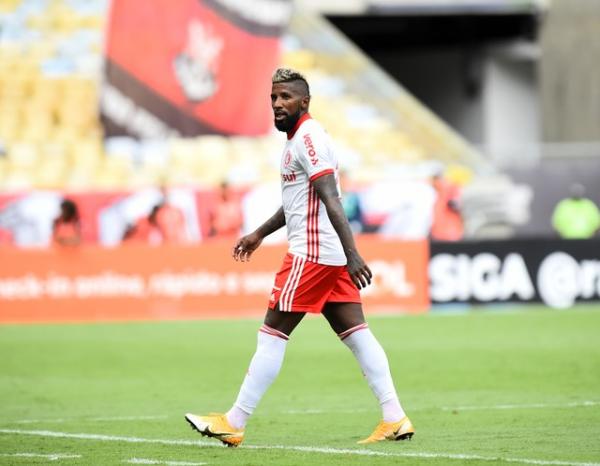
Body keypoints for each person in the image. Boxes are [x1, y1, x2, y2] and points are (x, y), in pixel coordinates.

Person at [185, 68, 414, 446]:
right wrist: (259, 233)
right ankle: (394, 417)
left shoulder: (308, 138)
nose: (277, 104)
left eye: (285, 98)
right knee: (357, 334)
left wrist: (354, 253)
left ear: (304, 102)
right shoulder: (297, 141)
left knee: (272, 333)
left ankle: (234, 421)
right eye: (273, 97)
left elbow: (330, 196)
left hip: (311, 254)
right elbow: (297, 202)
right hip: (329, 255)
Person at [430, 172, 464, 241]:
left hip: (448, 232)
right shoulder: (450, 187)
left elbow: (455, 204)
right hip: (446, 232)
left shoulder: (450, 188)